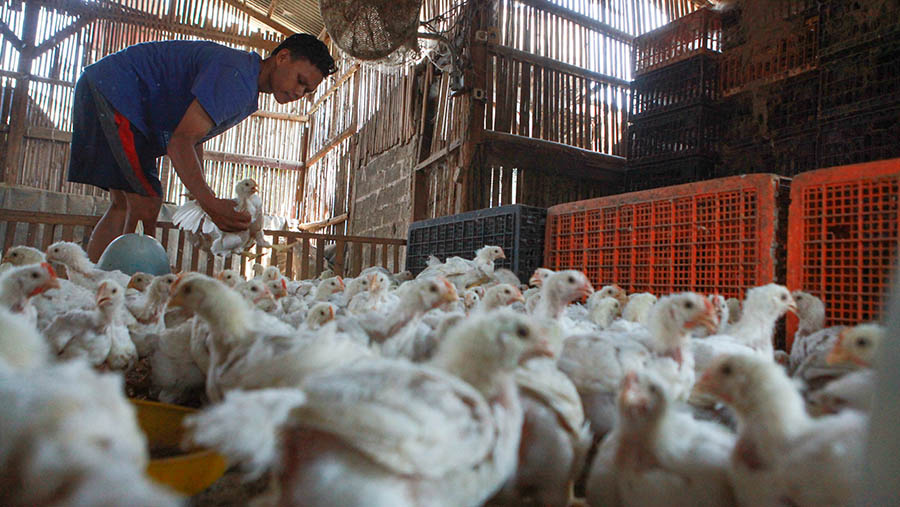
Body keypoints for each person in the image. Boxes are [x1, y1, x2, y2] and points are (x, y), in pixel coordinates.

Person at [67, 34, 336, 261]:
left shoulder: (244, 81)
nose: (300, 93)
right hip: (115, 93)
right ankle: (129, 279)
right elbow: (180, 142)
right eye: (300, 81)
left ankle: (93, 280)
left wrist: (203, 199)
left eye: (307, 91)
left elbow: (191, 138)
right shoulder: (237, 77)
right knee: (145, 202)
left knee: (126, 203)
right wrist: (210, 204)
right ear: (282, 57)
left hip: (106, 88)